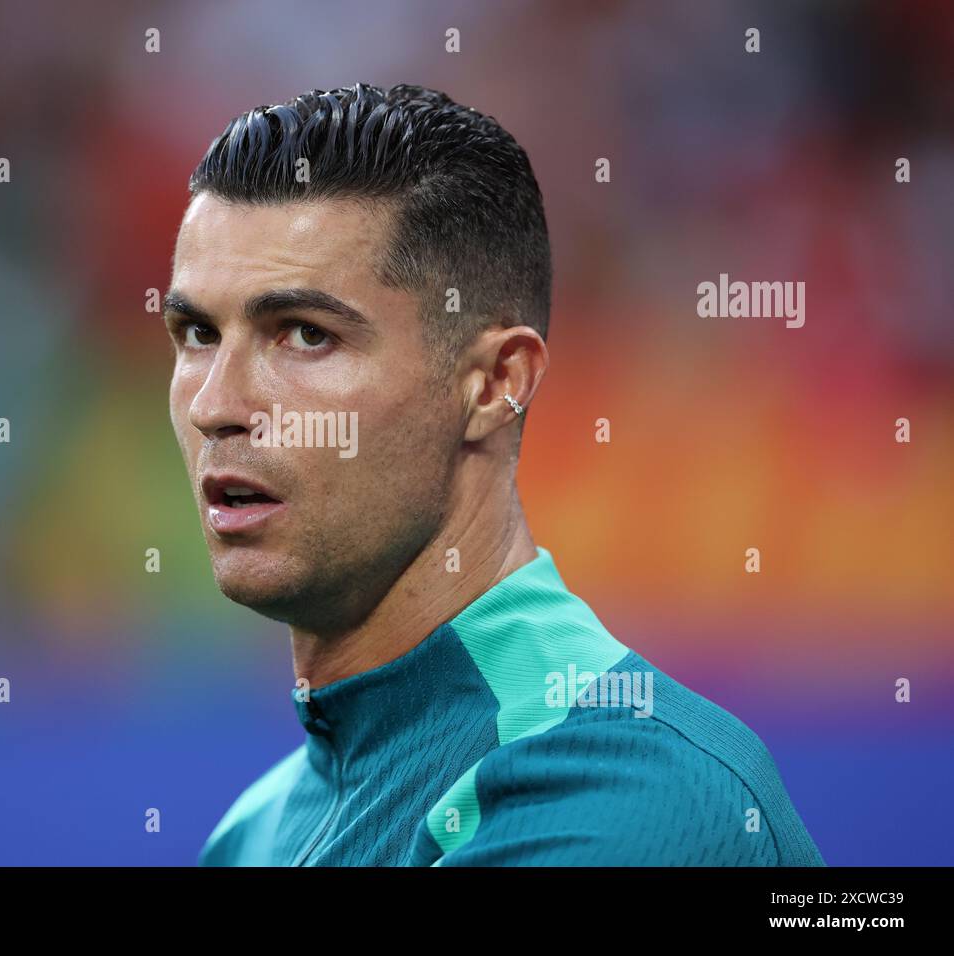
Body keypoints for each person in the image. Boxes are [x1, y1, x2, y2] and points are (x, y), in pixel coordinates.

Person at [163, 82, 823, 866]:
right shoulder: (255, 834)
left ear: (495, 382)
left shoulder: (620, 794)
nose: (215, 405)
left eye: (305, 334)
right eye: (197, 332)